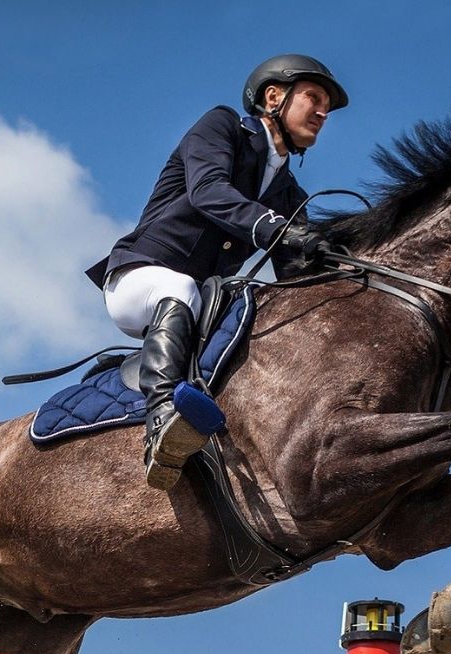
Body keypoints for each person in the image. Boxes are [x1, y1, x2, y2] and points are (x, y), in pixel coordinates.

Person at [85, 54, 348, 491]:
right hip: (139, 277)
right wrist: (276, 228)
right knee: (181, 286)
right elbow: (208, 191)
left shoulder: (289, 192)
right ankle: (163, 418)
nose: (323, 112)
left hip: (202, 301)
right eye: (314, 98)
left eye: (327, 106)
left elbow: (295, 277)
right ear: (273, 96)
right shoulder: (222, 125)